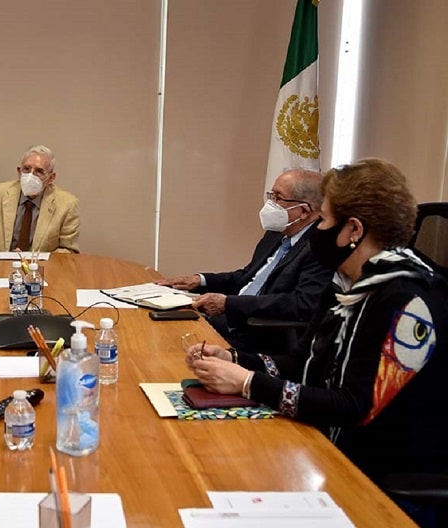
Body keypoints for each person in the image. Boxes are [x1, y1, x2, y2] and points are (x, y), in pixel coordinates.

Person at [184, 159, 447, 527]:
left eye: (323, 220)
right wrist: (233, 358)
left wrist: (247, 382)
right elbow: (300, 360)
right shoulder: (345, 287)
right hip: (323, 447)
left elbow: (352, 406)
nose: (316, 232)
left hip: (381, 480)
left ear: (352, 229)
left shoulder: (405, 299)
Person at [158, 168, 332, 354]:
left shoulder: (320, 247)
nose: (270, 204)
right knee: (158, 334)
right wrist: (199, 280)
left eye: (278, 198)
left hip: (257, 337)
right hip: (228, 322)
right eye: (270, 196)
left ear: (304, 211)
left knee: (171, 352)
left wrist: (228, 304)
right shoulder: (276, 234)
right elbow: (247, 277)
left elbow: (301, 304)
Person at [0, 145, 80, 254]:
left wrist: (37, 262)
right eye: (26, 169)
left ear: (51, 178)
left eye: (39, 171)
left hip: (40, 272)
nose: (31, 176)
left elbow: (68, 250)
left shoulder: (67, 204)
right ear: (19, 171)